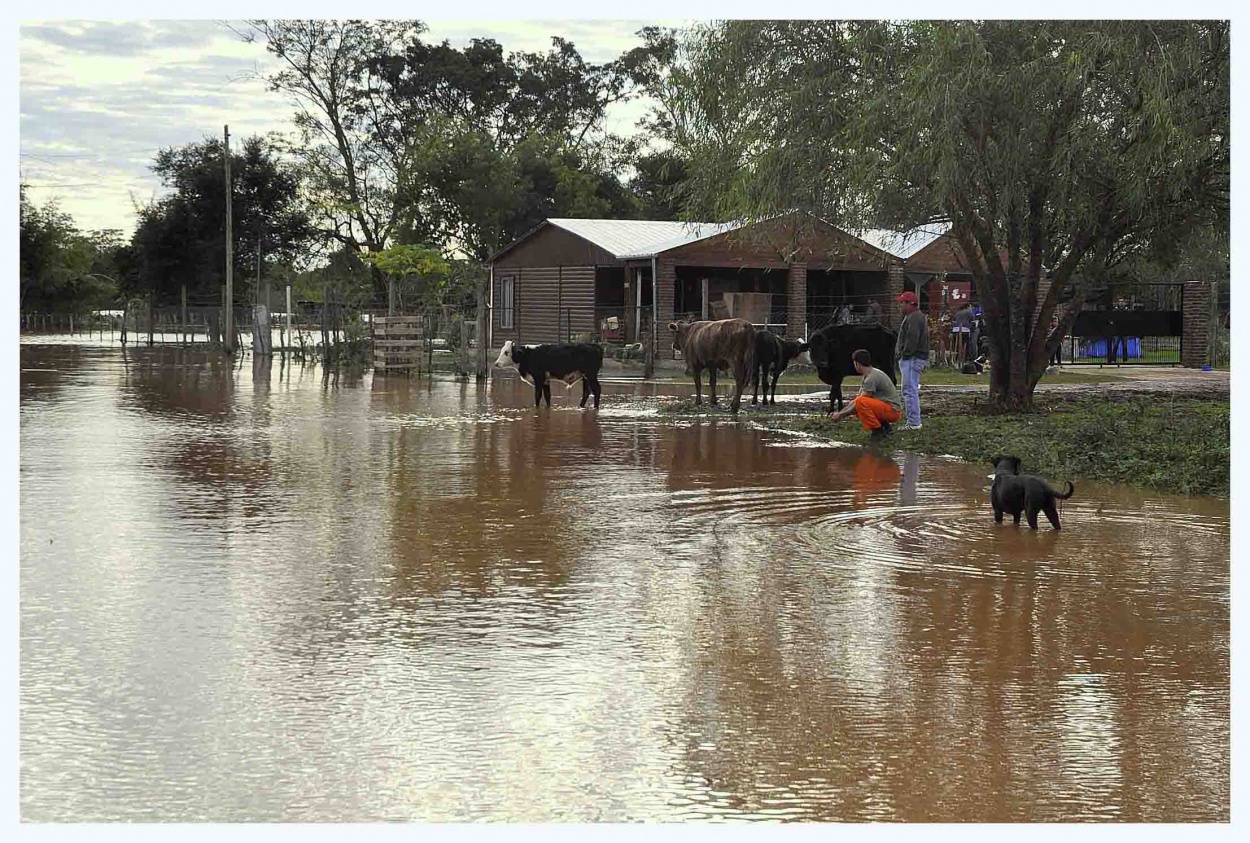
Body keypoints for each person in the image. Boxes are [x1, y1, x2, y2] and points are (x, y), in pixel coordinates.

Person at [827, 348, 903, 441]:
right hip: (889, 409)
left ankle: (877, 430)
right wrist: (840, 413)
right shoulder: (870, 374)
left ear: (857, 364)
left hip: (893, 412)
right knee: (859, 403)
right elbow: (856, 400)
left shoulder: (871, 378)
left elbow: (860, 401)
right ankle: (885, 427)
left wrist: (840, 415)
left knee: (861, 403)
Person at [895, 291, 929, 429]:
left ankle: (914, 422)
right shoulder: (915, 316)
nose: (900, 306)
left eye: (902, 303)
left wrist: (904, 354)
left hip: (912, 358)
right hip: (914, 358)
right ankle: (913, 421)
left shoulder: (914, 318)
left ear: (910, 303)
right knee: (910, 389)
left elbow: (912, 338)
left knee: (909, 390)